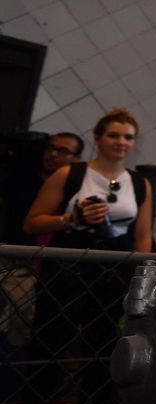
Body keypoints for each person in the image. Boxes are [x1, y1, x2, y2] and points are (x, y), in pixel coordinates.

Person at [13, 109, 154, 404]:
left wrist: (143, 276)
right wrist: (70, 218)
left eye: (128, 137)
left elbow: (143, 236)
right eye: (114, 135)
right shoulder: (71, 174)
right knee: (47, 349)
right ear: (98, 138)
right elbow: (31, 223)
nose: (121, 142)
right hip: (66, 269)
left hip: (112, 272)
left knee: (102, 351)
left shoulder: (139, 183)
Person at [0, 133, 84, 349]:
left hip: (54, 266)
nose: (53, 154)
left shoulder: (78, 189)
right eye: (50, 148)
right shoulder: (20, 182)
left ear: (77, 157)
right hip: (15, 257)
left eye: (63, 151)